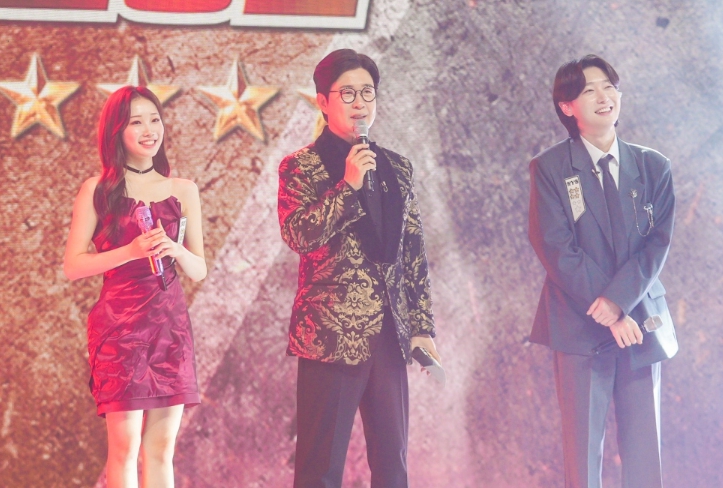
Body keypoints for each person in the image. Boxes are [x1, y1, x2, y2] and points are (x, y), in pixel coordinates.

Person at [277, 48, 440, 488]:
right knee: (319, 467)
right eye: (347, 93)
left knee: (393, 464)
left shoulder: (397, 167)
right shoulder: (300, 166)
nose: (359, 103)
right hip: (330, 337)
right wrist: (346, 187)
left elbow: (412, 251)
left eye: (367, 92)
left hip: (389, 334)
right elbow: (298, 235)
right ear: (322, 101)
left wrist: (422, 326)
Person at [528, 54, 678, 488]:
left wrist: (620, 303)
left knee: (644, 451)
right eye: (588, 90)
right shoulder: (550, 168)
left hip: (640, 322)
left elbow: (657, 244)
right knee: (582, 453)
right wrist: (608, 309)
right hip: (579, 325)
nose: (603, 96)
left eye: (609, 86)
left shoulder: (653, 166)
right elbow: (555, 246)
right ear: (567, 106)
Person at [63, 86, 206, 488]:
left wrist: (175, 248)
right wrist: (130, 251)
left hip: (170, 330)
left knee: (160, 450)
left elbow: (198, 270)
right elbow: (73, 265)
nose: (149, 130)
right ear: (116, 131)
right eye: (136, 122)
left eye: (154, 120)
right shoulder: (98, 190)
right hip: (120, 329)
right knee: (124, 450)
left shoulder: (183, 190)